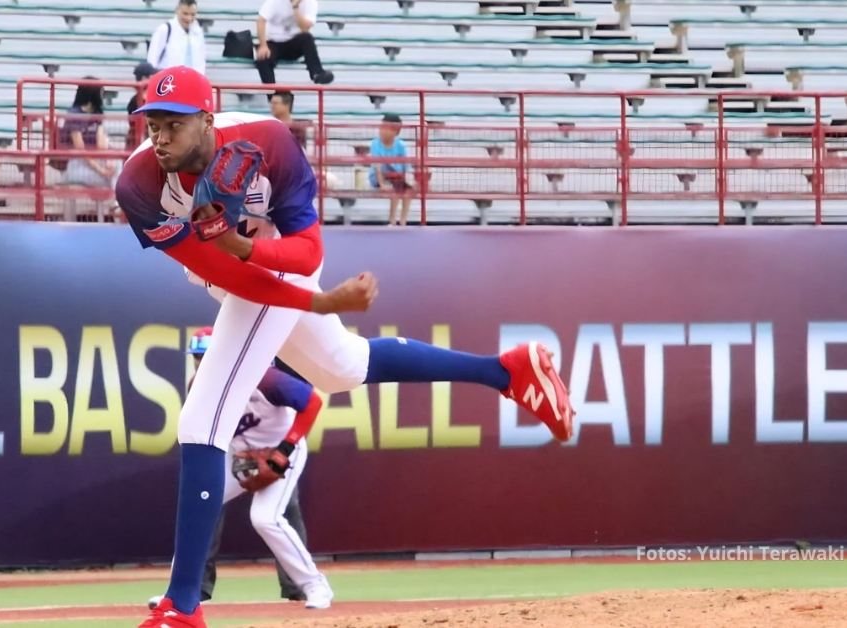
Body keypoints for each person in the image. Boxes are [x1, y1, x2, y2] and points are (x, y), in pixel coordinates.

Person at [119, 66, 573, 628]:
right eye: (151, 124)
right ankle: (507, 372)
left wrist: (255, 253)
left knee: (202, 420)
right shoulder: (138, 185)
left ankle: (182, 608)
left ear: (207, 120)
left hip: (274, 255)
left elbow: (307, 254)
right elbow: (213, 271)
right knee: (343, 367)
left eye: (173, 124)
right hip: (230, 273)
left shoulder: (270, 143)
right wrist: (311, 301)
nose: (158, 137)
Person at [148, 327, 324, 612]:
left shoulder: (263, 377)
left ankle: (314, 585)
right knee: (199, 505)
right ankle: (182, 591)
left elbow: (313, 402)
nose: (201, 364)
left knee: (265, 518)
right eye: (197, 358)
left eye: (206, 356)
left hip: (281, 449)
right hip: (240, 454)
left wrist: (284, 450)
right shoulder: (199, 386)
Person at [59, 82, 115, 221]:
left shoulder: (97, 113)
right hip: (76, 165)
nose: (103, 96)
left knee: (118, 166)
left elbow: (102, 144)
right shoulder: (74, 115)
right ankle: (118, 203)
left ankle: (117, 203)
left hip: (96, 162)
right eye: (101, 92)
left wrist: (108, 162)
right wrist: (101, 170)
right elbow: (81, 150)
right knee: (114, 177)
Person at [255, 0, 334, 85]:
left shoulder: (310, 2)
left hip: (293, 44)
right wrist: (263, 45)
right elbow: (261, 21)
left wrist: (295, 8)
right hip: (272, 42)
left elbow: (305, 28)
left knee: (307, 37)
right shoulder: (275, 2)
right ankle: (273, 95)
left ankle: (317, 73)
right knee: (262, 59)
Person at [368, 114, 412, 226]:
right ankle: (392, 220)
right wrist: (382, 185)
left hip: (396, 177)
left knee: (406, 191)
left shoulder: (401, 145)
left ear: (395, 132)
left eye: (386, 128)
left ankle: (403, 221)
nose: (382, 131)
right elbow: (377, 166)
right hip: (378, 177)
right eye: (381, 127)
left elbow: (405, 166)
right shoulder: (375, 143)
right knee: (394, 186)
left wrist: (408, 182)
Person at [147, 0, 207, 75]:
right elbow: (152, 59)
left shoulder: (198, 31)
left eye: (192, 14)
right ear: (177, 11)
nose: (189, 18)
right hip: (169, 81)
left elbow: (201, 60)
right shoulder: (165, 29)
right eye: (185, 13)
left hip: (192, 81)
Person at [128, 63, 160, 149]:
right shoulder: (135, 100)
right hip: (139, 144)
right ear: (144, 78)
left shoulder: (155, 98)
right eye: (151, 76)